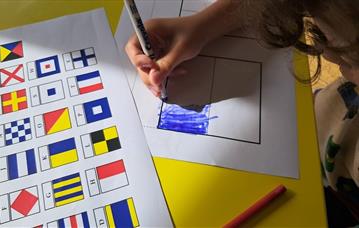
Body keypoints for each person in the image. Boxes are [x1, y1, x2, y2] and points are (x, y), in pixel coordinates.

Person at [125, 0, 358, 226]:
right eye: (323, 34)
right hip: (321, 137)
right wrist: (203, 25)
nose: (328, 57)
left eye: (352, 56)